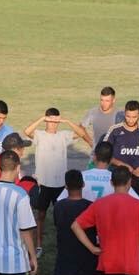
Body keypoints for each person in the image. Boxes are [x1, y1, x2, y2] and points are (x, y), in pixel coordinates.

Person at [58, 141, 138, 275]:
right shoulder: (116, 180)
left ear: (94, 156)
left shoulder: (82, 177)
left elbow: (62, 202)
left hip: (81, 240)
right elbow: (136, 204)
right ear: (111, 159)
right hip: (108, 241)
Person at [23, 107, 91, 255]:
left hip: (60, 184)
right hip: (43, 183)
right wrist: (42, 119)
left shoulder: (63, 135)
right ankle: (39, 245)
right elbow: (27, 131)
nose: (54, 124)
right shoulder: (40, 135)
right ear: (47, 120)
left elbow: (81, 133)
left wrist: (66, 121)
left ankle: (63, 242)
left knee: (61, 216)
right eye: (51, 121)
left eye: (56, 121)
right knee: (41, 215)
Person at [103, 100, 139, 204]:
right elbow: (105, 153)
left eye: (134, 117)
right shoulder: (115, 130)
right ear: (125, 113)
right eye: (128, 116)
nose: (131, 120)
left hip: (137, 177)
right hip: (117, 177)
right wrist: (122, 165)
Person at [79, 86, 125, 153]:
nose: (103, 104)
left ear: (114, 100)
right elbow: (81, 127)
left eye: (107, 101)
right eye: (102, 100)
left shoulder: (120, 114)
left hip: (115, 155)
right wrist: (90, 142)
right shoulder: (93, 112)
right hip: (97, 154)